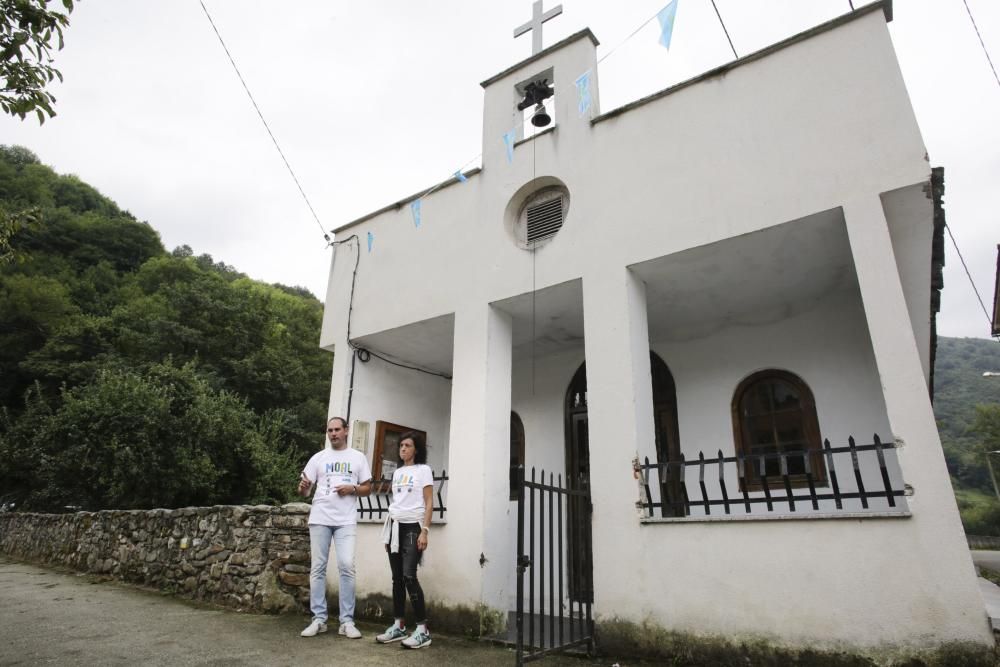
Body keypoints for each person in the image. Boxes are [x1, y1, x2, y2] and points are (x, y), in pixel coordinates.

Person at [298, 417, 372, 639]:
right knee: (318, 568)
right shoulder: (318, 457)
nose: (333, 434)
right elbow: (304, 491)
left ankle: (346, 622)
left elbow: (368, 488)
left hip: (345, 520)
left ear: (346, 431)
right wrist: (302, 487)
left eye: (337, 429)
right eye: (330, 430)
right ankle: (319, 620)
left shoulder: (358, 457)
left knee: (347, 566)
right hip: (320, 518)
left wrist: (352, 488)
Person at [375, 432, 434, 649]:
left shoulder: (423, 470)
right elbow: (397, 501)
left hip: (413, 527)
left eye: (407, 445)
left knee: (409, 576)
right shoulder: (398, 472)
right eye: (401, 445)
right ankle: (398, 625)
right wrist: (388, 535)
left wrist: (425, 530)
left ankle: (422, 630)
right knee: (397, 578)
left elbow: (429, 502)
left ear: (416, 449)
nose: (403, 449)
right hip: (394, 527)